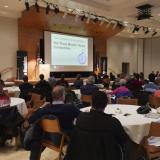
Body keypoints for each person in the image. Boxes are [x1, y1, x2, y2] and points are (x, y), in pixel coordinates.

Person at [65, 91, 131, 160]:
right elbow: (125, 142)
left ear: (91, 102)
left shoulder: (80, 118)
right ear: (106, 104)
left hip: (83, 155)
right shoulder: (112, 122)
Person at [28, 85, 80, 160]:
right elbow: (82, 117)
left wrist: (41, 107)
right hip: (63, 138)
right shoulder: (70, 108)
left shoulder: (46, 108)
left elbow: (31, 120)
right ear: (63, 96)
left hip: (46, 137)